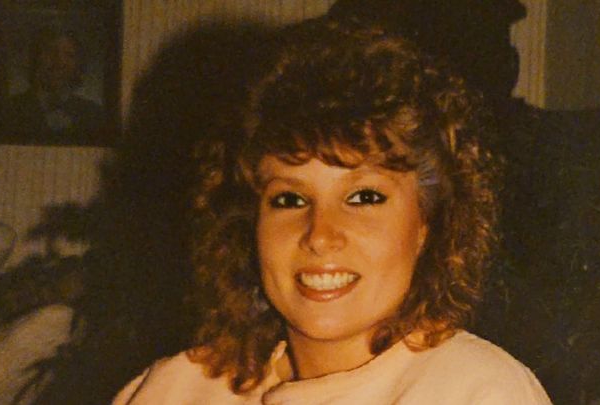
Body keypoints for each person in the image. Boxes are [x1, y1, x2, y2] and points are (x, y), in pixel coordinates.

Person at [113, 18, 552, 404]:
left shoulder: (480, 393)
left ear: (427, 222)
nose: (320, 235)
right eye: (289, 199)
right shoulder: (174, 390)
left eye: (363, 197)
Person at [0, 28, 105, 146]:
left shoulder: (93, 114)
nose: (60, 62)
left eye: (69, 55)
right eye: (50, 51)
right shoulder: (8, 111)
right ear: (35, 58)